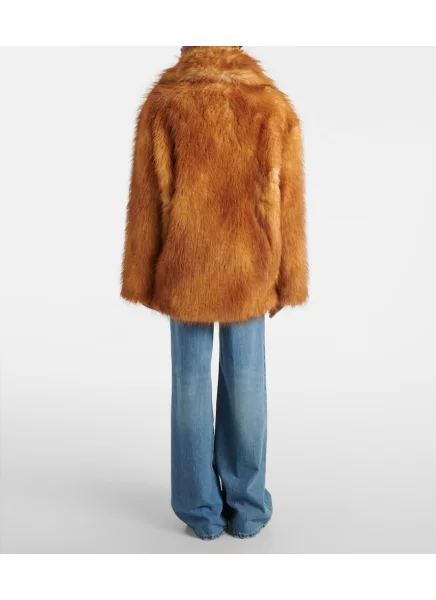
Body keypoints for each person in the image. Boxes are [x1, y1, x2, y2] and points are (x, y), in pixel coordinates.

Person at [121, 46, 308, 540]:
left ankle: (199, 509)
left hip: (186, 267)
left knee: (189, 380)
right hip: (251, 268)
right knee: (247, 378)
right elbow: (287, 199)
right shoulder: (269, 103)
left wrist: (142, 275)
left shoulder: (165, 101)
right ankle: (247, 508)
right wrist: (289, 278)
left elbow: (148, 198)